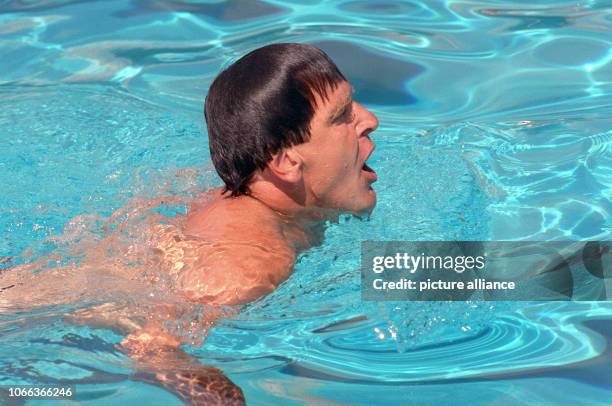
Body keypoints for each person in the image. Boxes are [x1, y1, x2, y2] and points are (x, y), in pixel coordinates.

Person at [0, 43, 379, 405]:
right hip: (28, 331)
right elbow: (150, 345)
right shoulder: (251, 265)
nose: (370, 120)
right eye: (342, 115)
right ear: (284, 163)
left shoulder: (241, 198)